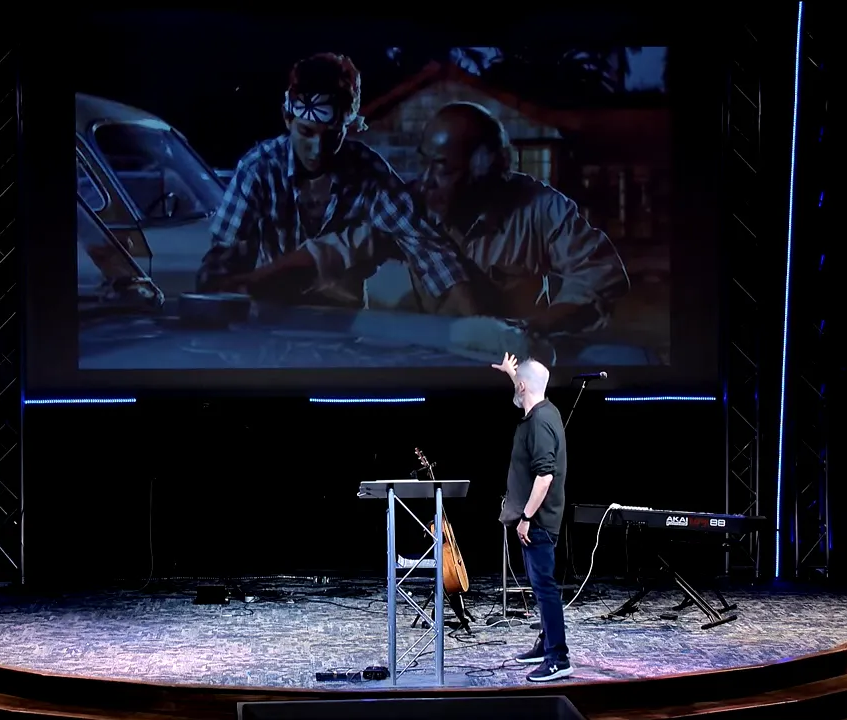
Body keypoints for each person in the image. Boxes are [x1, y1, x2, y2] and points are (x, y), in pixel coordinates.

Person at [306, 101, 628, 331]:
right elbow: (339, 248)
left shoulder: (540, 207)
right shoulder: (410, 204)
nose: (426, 179)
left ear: (485, 167)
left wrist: (541, 324)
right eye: (424, 162)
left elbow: (602, 273)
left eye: (443, 166)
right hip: (431, 365)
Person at [196, 53, 479, 314]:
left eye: (332, 136)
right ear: (287, 118)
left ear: (349, 127)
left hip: (344, 323)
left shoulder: (369, 173)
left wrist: (475, 321)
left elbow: (424, 244)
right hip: (270, 320)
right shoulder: (258, 170)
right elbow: (223, 256)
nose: (317, 149)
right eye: (306, 132)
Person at [491, 352, 572, 682]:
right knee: (540, 588)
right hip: (538, 520)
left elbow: (545, 476)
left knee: (545, 588)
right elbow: (527, 388)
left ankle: (559, 656)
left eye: (517, 383)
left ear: (523, 386)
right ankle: (545, 643)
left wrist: (525, 516)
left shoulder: (539, 422)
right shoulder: (545, 410)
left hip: (538, 521)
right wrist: (513, 375)